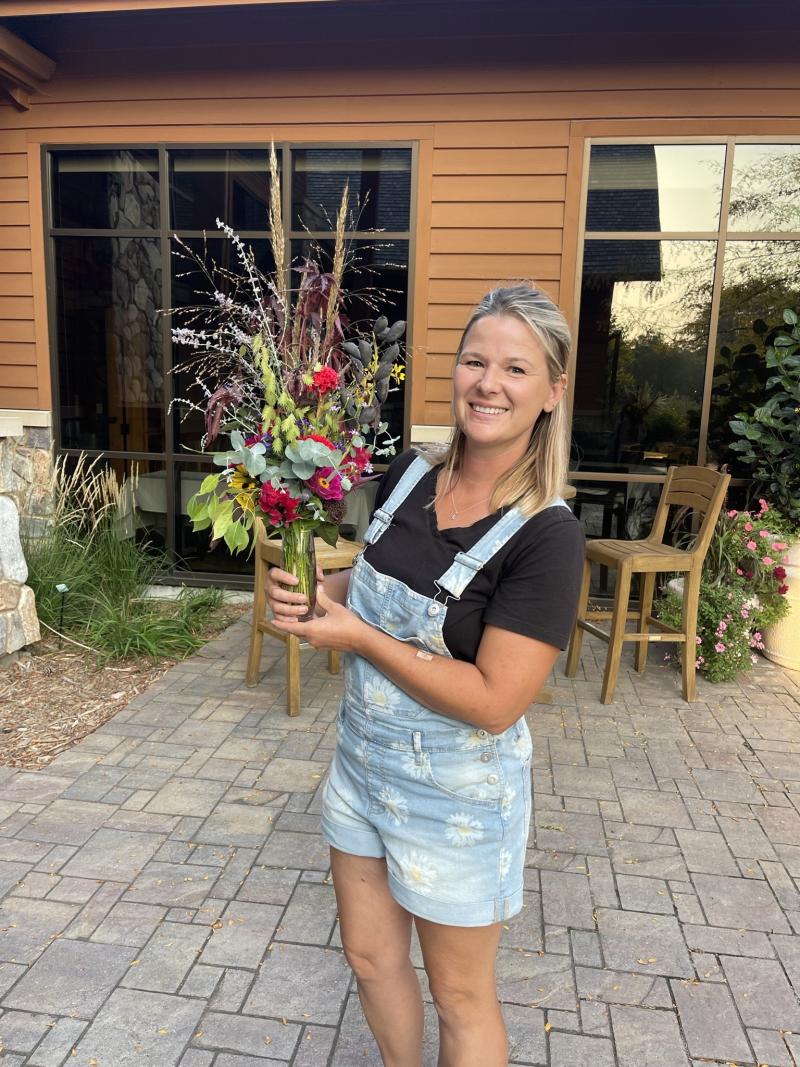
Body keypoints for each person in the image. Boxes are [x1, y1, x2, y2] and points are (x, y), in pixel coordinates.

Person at [266, 284, 584, 1067]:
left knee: (461, 997)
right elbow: (372, 583)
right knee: (371, 959)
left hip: (459, 802)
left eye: (516, 368)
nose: (489, 383)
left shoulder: (546, 535)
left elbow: (496, 701)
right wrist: (318, 596)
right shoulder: (410, 472)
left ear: (552, 390)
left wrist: (359, 637)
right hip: (361, 773)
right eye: (476, 360)